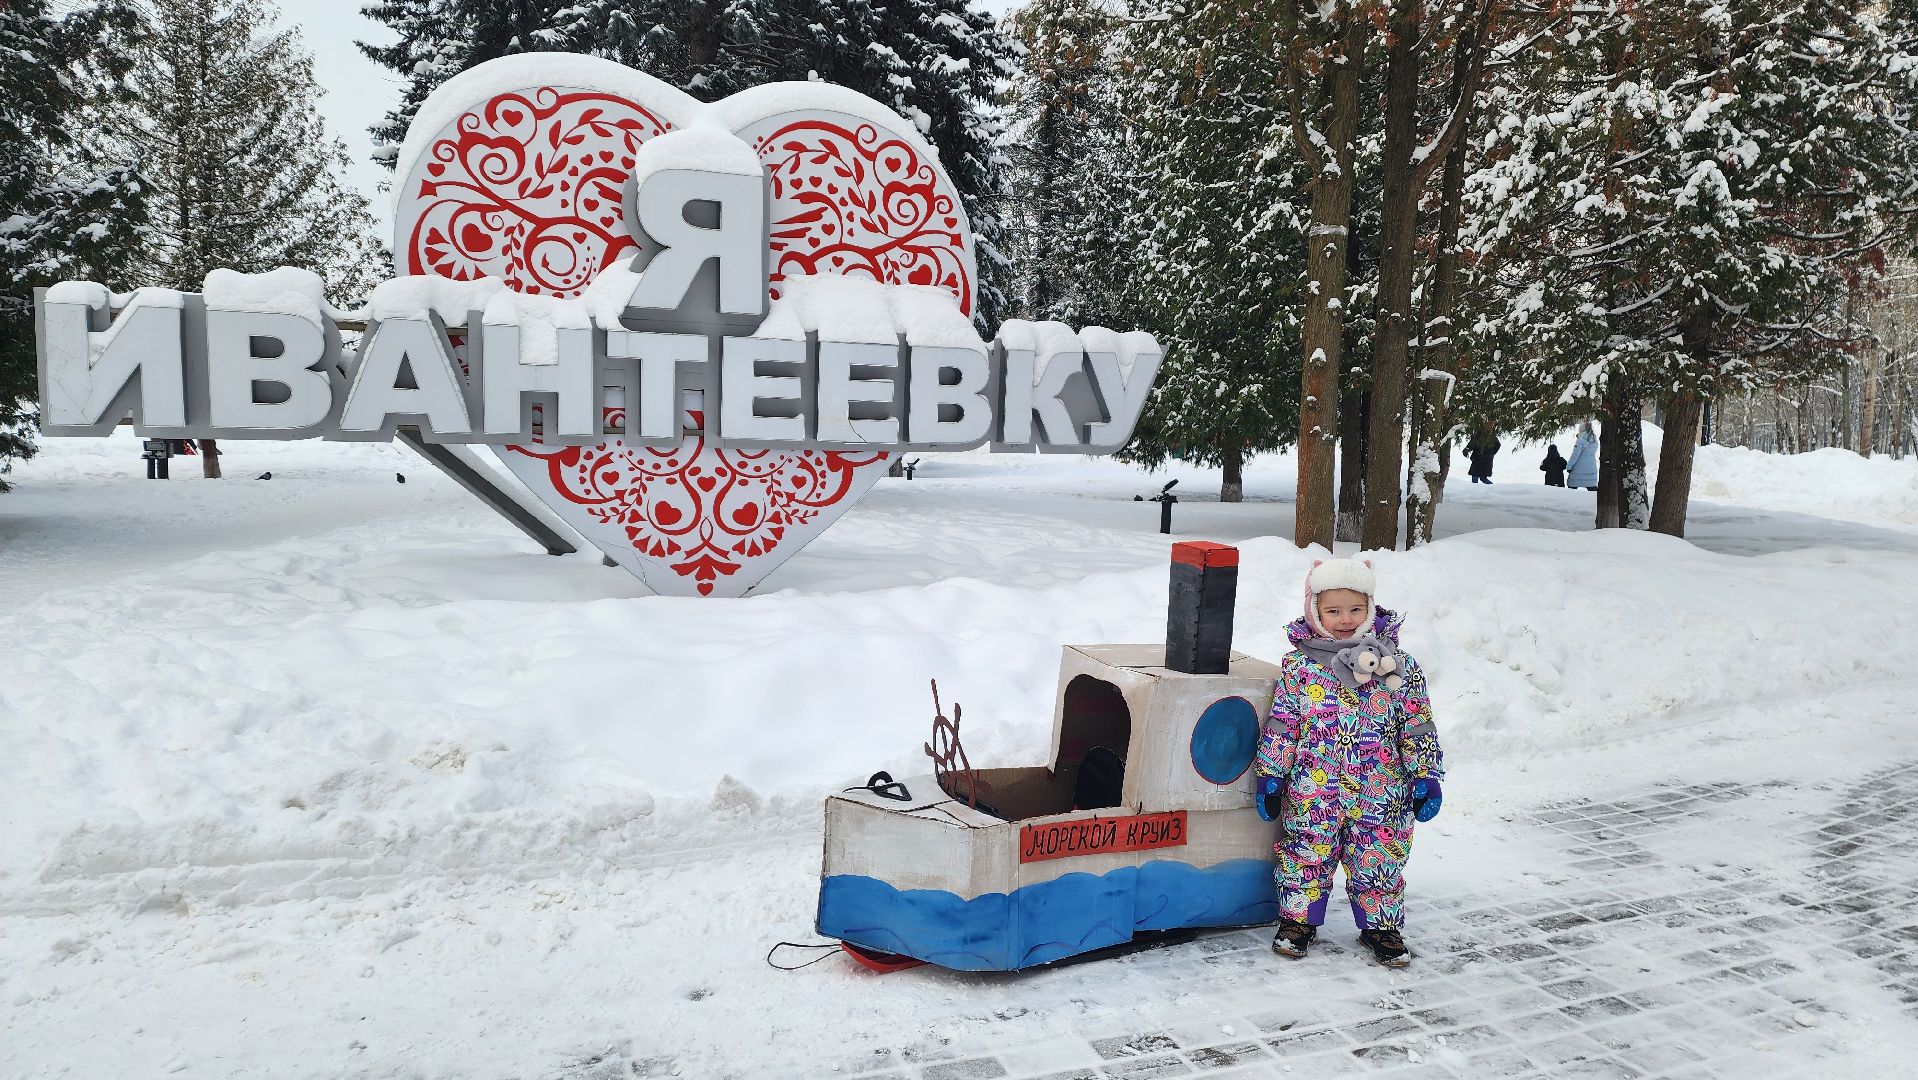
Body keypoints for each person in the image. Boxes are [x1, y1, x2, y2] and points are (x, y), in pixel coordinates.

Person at [1252, 558, 1444, 968]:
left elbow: (1417, 724)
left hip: (1382, 789)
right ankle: (1298, 921)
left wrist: (1426, 774)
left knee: (1380, 855)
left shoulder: (1397, 665)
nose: (1345, 620)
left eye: (1356, 609)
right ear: (1315, 612)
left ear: (1370, 608)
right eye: (1333, 610)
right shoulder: (1300, 666)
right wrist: (1271, 774)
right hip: (1314, 788)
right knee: (1306, 852)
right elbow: (1283, 724)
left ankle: (1381, 926)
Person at [1564, 421, 1598, 490]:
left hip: (1578, 470)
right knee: (1592, 490)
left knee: (1572, 489)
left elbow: (1575, 455)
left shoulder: (1581, 440)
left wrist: (1569, 467)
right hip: (1591, 468)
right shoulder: (1595, 440)